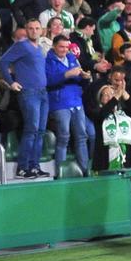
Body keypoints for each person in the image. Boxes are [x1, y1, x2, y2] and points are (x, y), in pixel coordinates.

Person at [0, 18, 50, 179]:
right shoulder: (21, 45)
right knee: (31, 130)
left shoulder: (40, 47)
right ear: (26, 30)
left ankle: (34, 166)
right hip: (29, 93)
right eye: (31, 28)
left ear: (42, 30)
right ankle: (22, 168)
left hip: (43, 93)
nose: (34, 31)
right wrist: (11, 82)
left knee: (40, 131)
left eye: (37, 28)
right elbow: (2, 62)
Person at [45, 35, 90, 177]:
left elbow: (77, 76)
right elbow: (48, 80)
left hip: (76, 101)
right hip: (59, 103)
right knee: (63, 136)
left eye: (66, 47)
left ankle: (84, 171)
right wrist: (67, 74)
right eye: (61, 47)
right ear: (54, 46)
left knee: (82, 136)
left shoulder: (71, 58)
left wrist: (84, 76)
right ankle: (61, 172)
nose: (64, 50)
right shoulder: (48, 61)